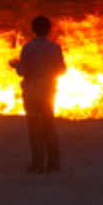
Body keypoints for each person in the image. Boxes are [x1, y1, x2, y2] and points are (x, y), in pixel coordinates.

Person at [12, 15, 67, 173]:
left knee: (34, 128)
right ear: (49, 30)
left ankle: (37, 163)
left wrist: (16, 66)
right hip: (48, 90)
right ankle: (53, 163)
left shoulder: (28, 48)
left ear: (33, 30)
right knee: (49, 126)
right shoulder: (55, 48)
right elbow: (61, 70)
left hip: (31, 92)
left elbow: (22, 71)